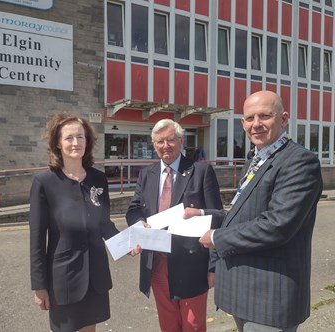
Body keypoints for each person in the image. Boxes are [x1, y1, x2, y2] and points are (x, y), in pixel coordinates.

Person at [185, 90, 323, 331]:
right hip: (245, 293)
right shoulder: (256, 159)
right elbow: (245, 214)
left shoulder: (299, 162)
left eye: (265, 116)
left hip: (269, 298)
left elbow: (277, 225)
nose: (256, 124)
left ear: (283, 118)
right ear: (243, 123)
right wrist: (208, 215)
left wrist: (217, 237)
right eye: (250, 118)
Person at [29, 113, 139, 332]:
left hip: (95, 277)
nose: (75, 142)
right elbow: (37, 240)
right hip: (64, 279)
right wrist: (39, 285)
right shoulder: (44, 182)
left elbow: (104, 224)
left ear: (87, 141)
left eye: (80, 137)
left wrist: (127, 243)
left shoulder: (98, 179)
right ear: (58, 144)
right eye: (69, 137)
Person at [126, 119, 223, 331]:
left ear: (181, 141)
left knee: (193, 325)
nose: (165, 146)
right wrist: (138, 222)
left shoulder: (201, 171)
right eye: (160, 141)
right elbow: (134, 208)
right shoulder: (147, 174)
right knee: (168, 325)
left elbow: (218, 217)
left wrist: (213, 266)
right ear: (153, 145)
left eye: (171, 140)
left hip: (192, 264)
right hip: (157, 262)